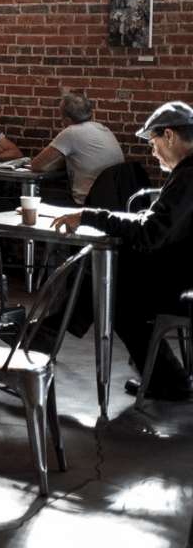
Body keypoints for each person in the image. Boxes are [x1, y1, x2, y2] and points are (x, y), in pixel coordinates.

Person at [51, 101, 193, 401]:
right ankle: (53, 328)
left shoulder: (189, 176)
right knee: (108, 270)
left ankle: (52, 330)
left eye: (153, 142)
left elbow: (150, 233)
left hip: (184, 280)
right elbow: (153, 224)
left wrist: (90, 216)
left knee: (113, 289)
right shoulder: (186, 173)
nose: (153, 151)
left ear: (169, 136)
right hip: (183, 267)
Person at [31, 93, 125, 206]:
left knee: (43, 203)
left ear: (68, 120)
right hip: (115, 201)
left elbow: (36, 165)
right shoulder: (104, 129)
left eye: (60, 116)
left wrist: (55, 164)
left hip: (88, 203)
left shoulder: (71, 132)